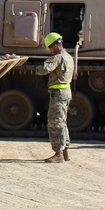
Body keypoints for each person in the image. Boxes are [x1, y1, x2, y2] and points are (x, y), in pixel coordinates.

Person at [36, 32, 74, 163]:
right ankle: (65, 152)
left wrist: (37, 68)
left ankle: (58, 153)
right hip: (66, 91)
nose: (50, 51)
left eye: (50, 48)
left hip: (58, 92)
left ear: (55, 45)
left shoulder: (58, 57)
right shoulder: (69, 57)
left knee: (54, 123)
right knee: (62, 122)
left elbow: (43, 69)